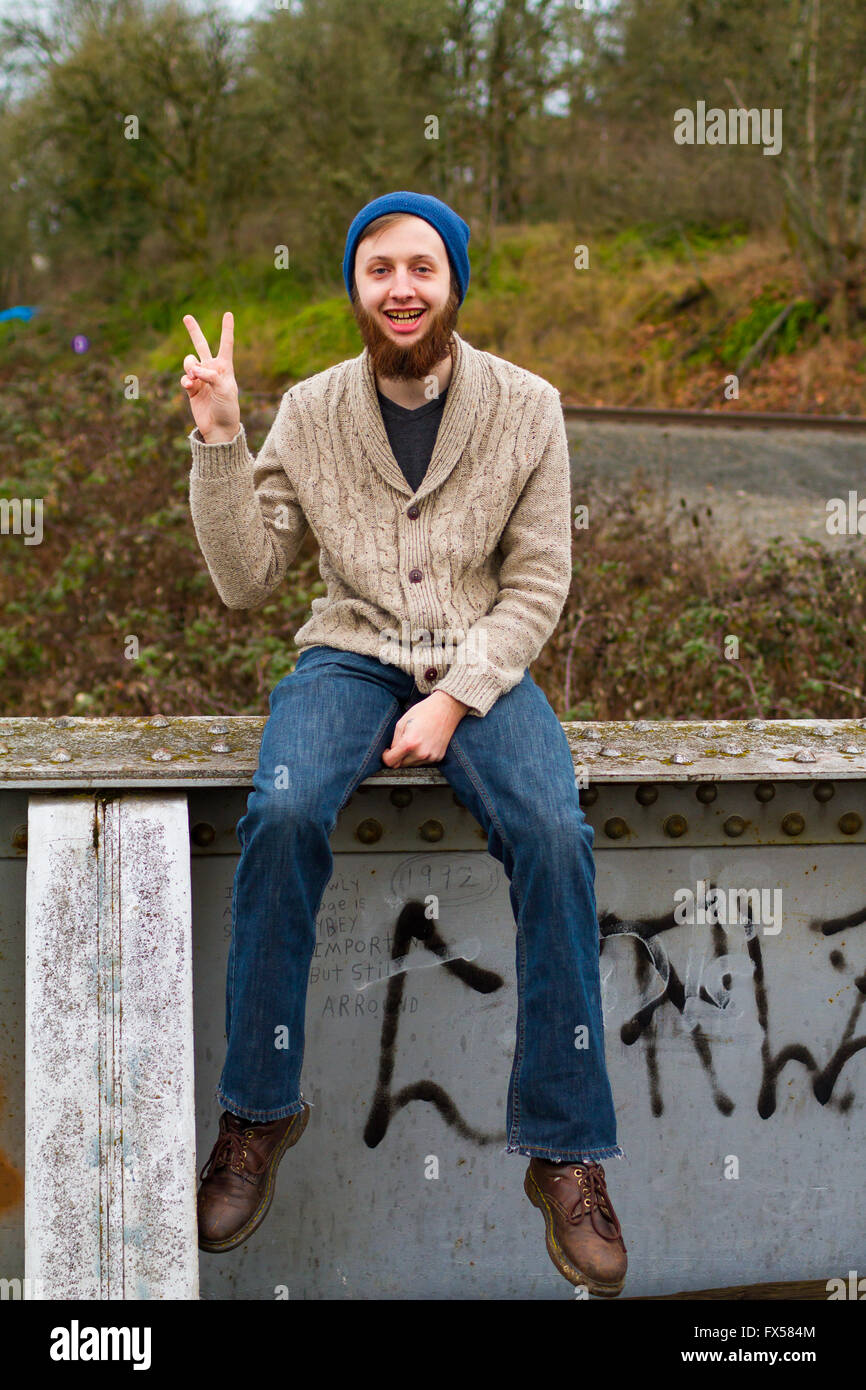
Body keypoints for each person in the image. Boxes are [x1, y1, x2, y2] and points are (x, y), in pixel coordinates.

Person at [181, 191, 627, 1296]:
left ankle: (564, 1150)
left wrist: (456, 697)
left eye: (420, 267)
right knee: (282, 810)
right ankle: (257, 1113)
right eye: (377, 267)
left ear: (453, 282)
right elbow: (246, 580)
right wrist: (223, 439)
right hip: (346, 654)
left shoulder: (528, 406)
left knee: (555, 834)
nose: (399, 287)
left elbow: (537, 581)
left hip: (479, 661)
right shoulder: (313, 408)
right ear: (355, 285)